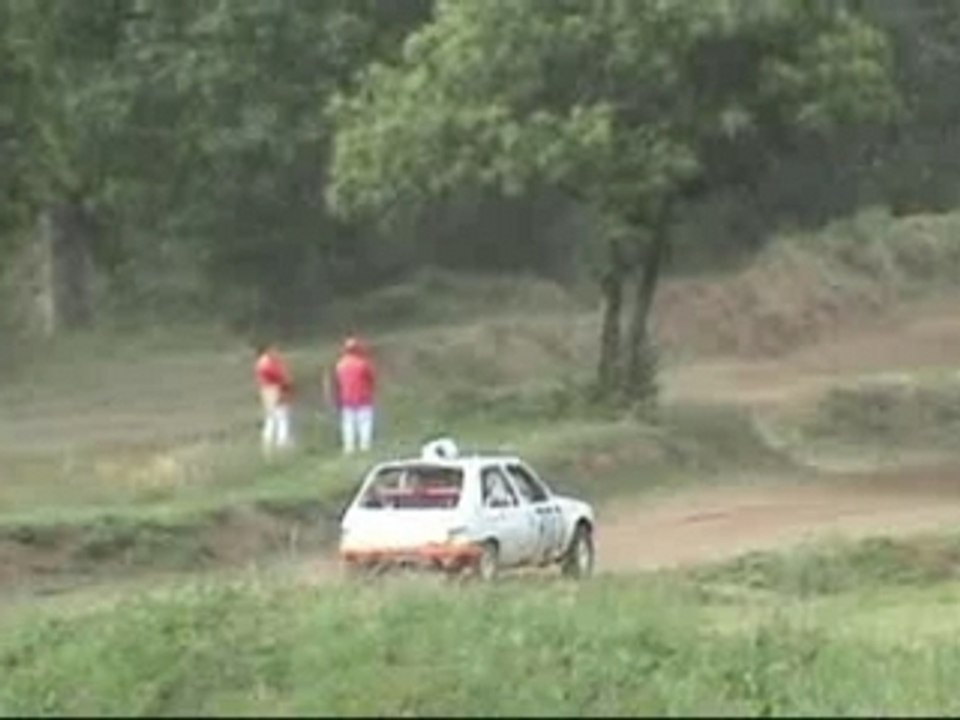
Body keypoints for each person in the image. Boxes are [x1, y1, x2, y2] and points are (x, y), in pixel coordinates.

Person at [334, 336, 377, 454]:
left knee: (348, 424)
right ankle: (365, 447)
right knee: (365, 423)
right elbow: (372, 378)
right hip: (363, 398)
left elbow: (337, 383)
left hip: (346, 399)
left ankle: (349, 448)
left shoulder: (340, 365)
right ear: (358, 349)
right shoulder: (363, 364)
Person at [254, 342, 294, 457]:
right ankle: (281, 444)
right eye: (274, 349)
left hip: (267, 391)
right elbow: (281, 376)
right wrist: (287, 380)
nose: (276, 352)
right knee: (282, 418)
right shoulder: (268, 363)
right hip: (274, 391)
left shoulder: (261, 362)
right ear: (268, 349)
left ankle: (267, 444)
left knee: (271, 419)